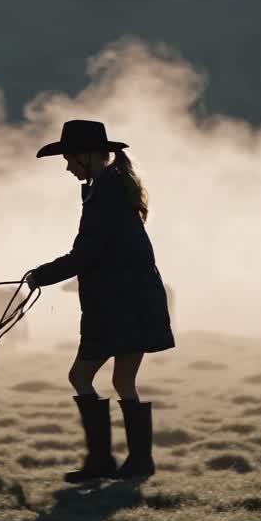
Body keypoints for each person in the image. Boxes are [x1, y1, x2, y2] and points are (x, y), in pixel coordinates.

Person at [25, 120, 174, 482]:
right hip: (136, 301)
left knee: (80, 375)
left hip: (116, 304)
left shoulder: (103, 199)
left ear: (89, 156)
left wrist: (40, 274)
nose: (67, 166)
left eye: (70, 158)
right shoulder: (113, 190)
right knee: (124, 382)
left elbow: (85, 255)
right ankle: (136, 464)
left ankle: (102, 463)